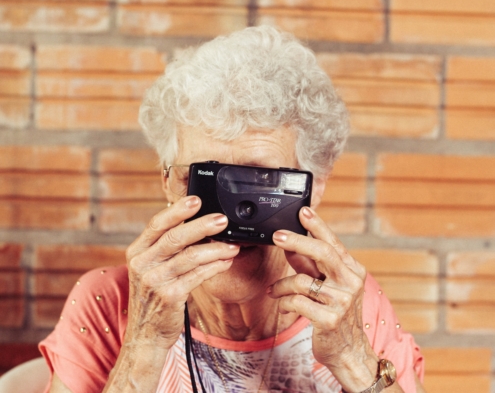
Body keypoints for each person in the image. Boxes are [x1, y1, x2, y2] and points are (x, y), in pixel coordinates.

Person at [38, 26, 425, 393]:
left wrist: (351, 356)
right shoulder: (107, 302)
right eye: (203, 180)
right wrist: (145, 342)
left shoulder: (346, 304)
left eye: (259, 182)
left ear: (314, 186)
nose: (228, 217)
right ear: (168, 182)